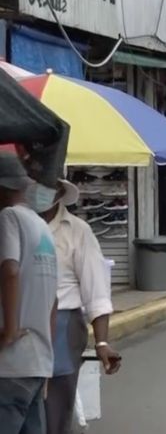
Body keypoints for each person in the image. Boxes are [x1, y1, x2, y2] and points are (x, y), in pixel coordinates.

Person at [39, 179, 121, 434]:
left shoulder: (78, 231)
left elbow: (96, 292)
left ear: (60, 193)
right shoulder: (14, 224)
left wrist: (102, 343)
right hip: (23, 323)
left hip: (64, 324)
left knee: (55, 404)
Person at [0, 154, 58, 434]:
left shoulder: (8, 217)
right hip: (38, 364)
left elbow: (10, 271)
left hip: (10, 366)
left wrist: (9, 332)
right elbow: (53, 302)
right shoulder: (43, 227)